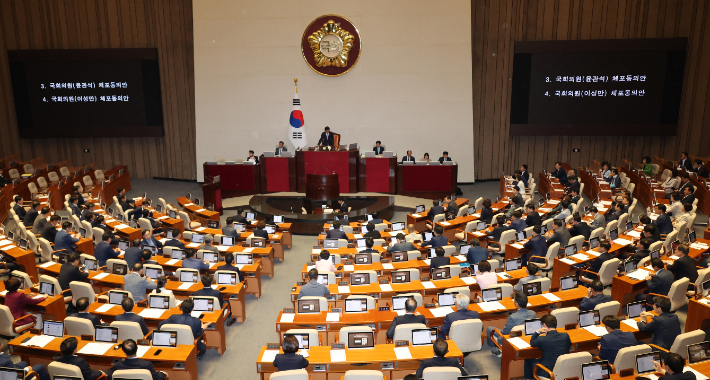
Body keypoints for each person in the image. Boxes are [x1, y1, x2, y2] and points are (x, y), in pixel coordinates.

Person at [524, 314, 572, 380]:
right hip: (562, 368)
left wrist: (537, 332)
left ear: (544, 325)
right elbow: (569, 346)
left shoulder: (543, 339)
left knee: (528, 358)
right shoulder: (565, 336)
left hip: (547, 372)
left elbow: (532, 342)